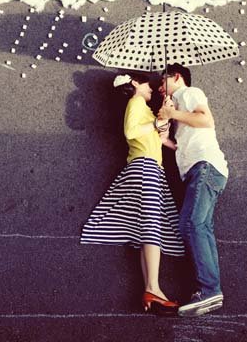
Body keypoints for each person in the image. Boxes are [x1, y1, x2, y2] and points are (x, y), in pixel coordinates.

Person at [80, 72, 185, 316]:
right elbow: (131, 131)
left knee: (147, 228)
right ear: (136, 84)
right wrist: (155, 123)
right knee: (151, 227)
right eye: (149, 86)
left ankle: (151, 288)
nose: (152, 90)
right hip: (146, 166)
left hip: (150, 167)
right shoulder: (136, 102)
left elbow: (156, 137)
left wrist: (164, 116)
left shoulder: (144, 107)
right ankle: (153, 287)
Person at [157, 63, 229, 317]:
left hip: (205, 167)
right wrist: (167, 141)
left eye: (162, 80)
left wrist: (173, 113)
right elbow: (189, 141)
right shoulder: (179, 104)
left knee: (190, 224)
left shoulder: (188, 93)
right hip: (203, 170)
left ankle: (208, 289)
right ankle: (212, 290)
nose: (159, 85)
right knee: (201, 227)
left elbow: (205, 119)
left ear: (177, 77)